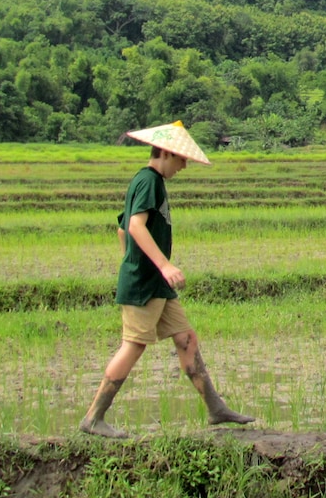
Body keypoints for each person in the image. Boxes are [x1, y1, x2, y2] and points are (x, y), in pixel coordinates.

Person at [80, 121, 254, 438]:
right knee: (132, 346)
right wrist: (161, 265)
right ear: (167, 153)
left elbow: (121, 229)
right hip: (146, 283)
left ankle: (216, 409)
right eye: (181, 159)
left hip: (153, 282)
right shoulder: (148, 181)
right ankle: (93, 418)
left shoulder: (150, 182)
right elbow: (134, 226)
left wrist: (131, 260)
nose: (184, 166)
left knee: (186, 338)